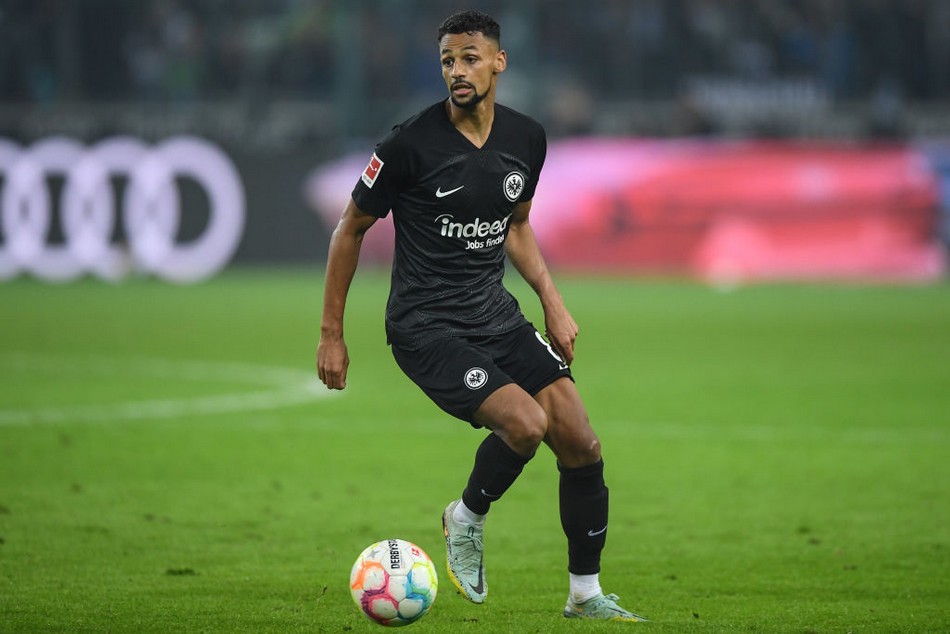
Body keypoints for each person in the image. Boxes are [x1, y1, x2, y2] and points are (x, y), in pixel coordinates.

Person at [316, 9, 646, 622]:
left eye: (470, 58)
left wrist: (553, 302)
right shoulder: (408, 145)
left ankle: (585, 596)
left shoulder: (527, 138)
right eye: (448, 60)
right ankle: (465, 518)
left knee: (581, 441)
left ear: (499, 62)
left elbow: (516, 226)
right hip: (426, 326)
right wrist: (331, 334)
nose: (457, 71)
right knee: (525, 425)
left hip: (495, 314)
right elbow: (349, 229)